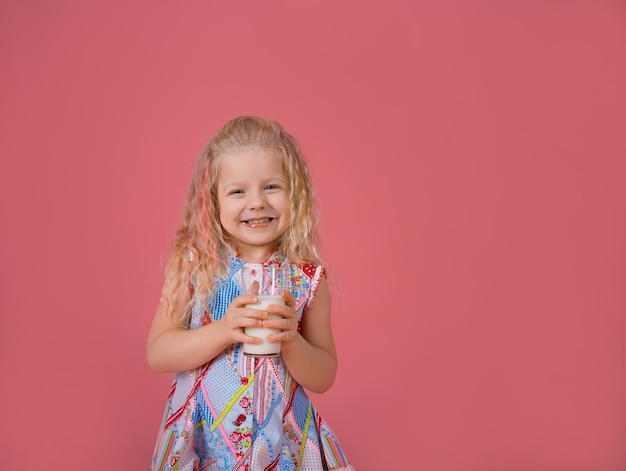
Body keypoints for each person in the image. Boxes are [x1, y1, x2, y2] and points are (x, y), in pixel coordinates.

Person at [147, 116, 355, 471]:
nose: (256, 202)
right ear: (213, 201)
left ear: (296, 191)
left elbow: (324, 375)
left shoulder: (307, 279)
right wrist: (224, 330)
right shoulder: (196, 266)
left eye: (271, 187)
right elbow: (158, 353)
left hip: (281, 441)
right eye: (238, 191)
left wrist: (291, 341)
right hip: (207, 435)